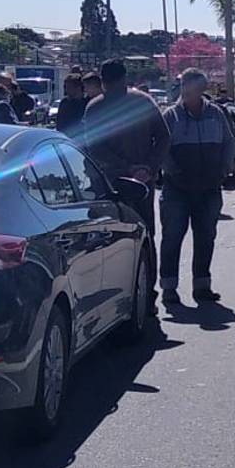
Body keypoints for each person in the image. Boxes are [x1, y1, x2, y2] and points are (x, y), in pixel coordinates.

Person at [82, 58, 170, 312]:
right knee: (119, 241)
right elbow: (96, 146)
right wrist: (141, 168)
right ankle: (125, 296)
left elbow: (162, 136)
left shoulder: (110, 105)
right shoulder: (110, 105)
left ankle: (144, 296)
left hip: (124, 182)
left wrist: (147, 168)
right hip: (116, 184)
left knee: (138, 238)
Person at [158, 68, 234, 305]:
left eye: (194, 89)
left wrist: (224, 169)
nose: (188, 93)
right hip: (177, 189)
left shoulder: (216, 114)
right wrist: (172, 170)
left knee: (205, 238)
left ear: (202, 90)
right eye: (185, 88)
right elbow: (161, 148)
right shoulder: (171, 116)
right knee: (172, 238)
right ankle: (169, 287)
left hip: (209, 188)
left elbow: (228, 141)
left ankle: (202, 286)